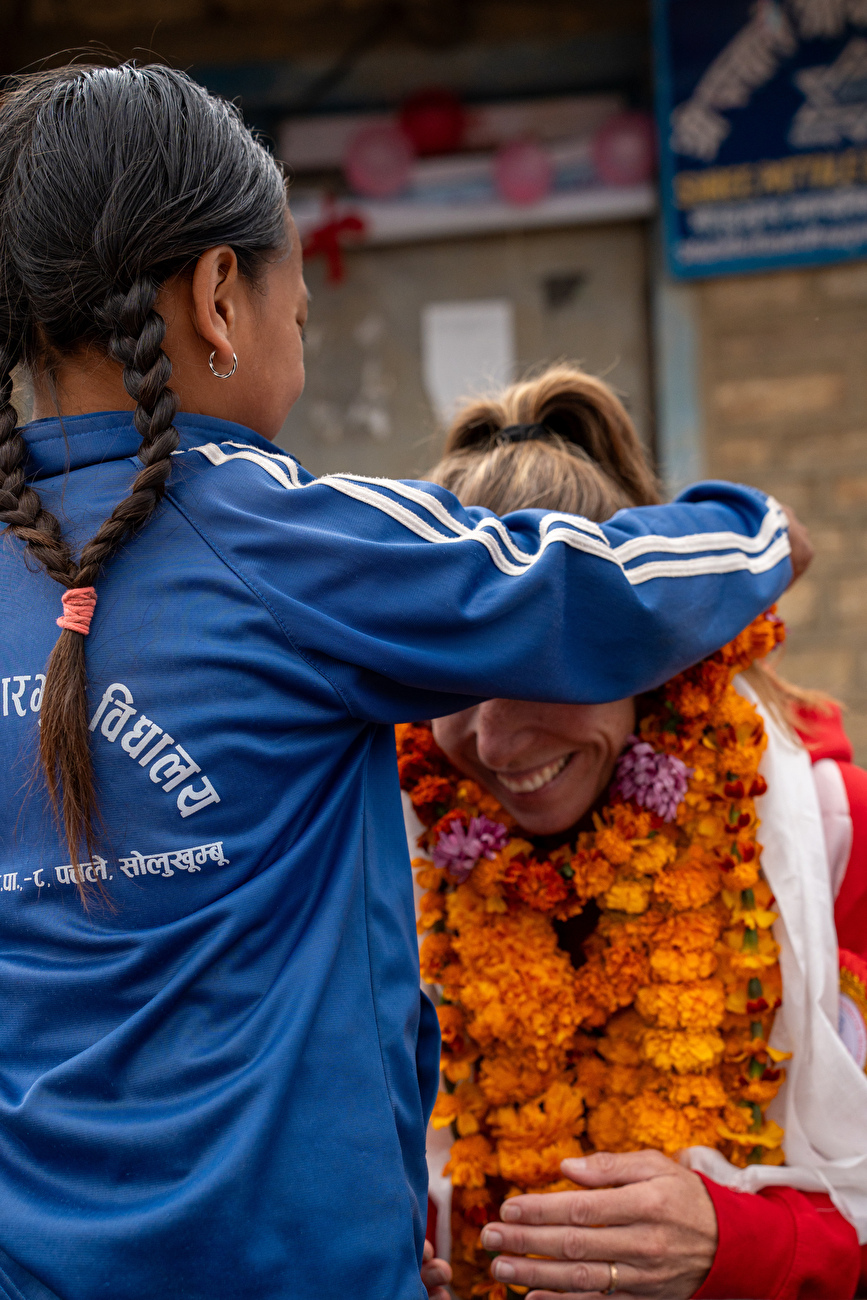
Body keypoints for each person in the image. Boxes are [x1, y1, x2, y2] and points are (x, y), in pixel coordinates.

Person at [0, 65, 809, 1300]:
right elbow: (568, 582)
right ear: (221, 296)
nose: (300, 353)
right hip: (296, 1267)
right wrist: (754, 538)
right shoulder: (279, 533)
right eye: (302, 316)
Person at [404, 365, 866, 1300]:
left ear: (659, 653)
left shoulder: (827, 835)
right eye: (452, 681)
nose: (491, 740)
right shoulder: (391, 844)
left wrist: (731, 1244)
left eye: (543, 669)